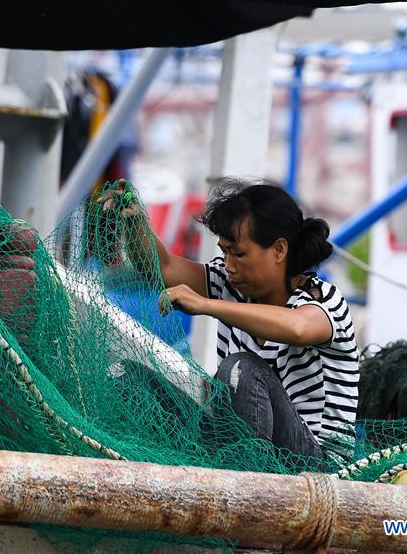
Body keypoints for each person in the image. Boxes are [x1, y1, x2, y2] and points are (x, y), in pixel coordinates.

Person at [99, 178, 358, 460]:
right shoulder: (227, 284)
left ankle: (243, 480)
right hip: (233, 441)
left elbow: (298, 327)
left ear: (279, 250)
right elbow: (162, 266)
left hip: (316, 464)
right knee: (127, 377)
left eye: (239, 253)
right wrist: (134, 222)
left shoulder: (324, 300)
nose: (229, 265)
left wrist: (206, 305)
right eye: (224, 252)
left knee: (241, 369)